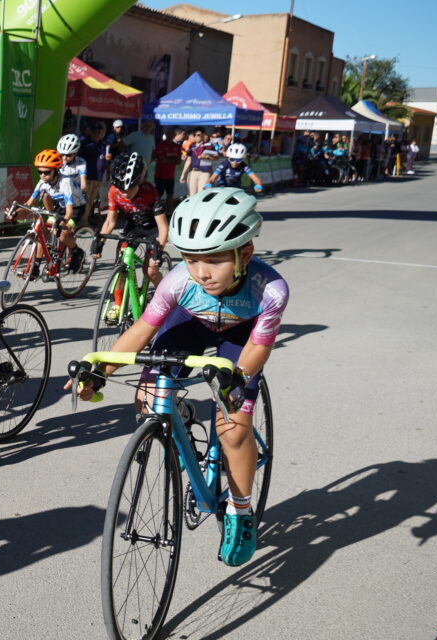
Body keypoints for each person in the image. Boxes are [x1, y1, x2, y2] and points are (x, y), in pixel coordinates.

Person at [71, 186, 288, 567]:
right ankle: (179, 419)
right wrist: (100, 370)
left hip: (241, 336)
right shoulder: (178, 282)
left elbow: (259, 348)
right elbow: (141, 331)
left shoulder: (269, 289)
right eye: (190, 260)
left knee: (234, 427)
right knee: (148, 395)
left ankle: (240, 510)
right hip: (190, 324)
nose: (202, 273)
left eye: (215, 260)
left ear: (245, 254)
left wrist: (237, 379)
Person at [94, 152, 168, 287]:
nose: (124, 193)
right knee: (120, 267)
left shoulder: (150, 192)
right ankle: (118, 305)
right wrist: (100, 243)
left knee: (150, 271)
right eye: (120, 188)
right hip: (133, 226)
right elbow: (111, 221)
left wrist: (159, 250)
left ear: (139, 181)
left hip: (152, 229)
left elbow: (162, 227)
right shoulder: (113, 191)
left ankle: (166, 297)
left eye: (128, 189)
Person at [7, 149, 82, 270]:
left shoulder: (65, 183)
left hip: (75, 208)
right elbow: (29, 203)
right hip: (59, 206)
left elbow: (69, 212)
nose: (42, 176)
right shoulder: (42, 182)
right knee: (44, 231)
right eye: (39, 172)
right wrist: (16, 213)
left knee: (62, 235)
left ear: (56, 170)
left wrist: (61, 224)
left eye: (46, 172)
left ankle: (77, 251)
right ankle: (36, 266)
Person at [78, 122, 110, 222]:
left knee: (91, 200)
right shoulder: (84, 143)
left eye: (99, 132)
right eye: (95, 132)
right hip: (87, 176)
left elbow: (106, 159)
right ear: (91, 132)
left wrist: (108, 159)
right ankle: (81, 220)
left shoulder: (104, 144)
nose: (96, 134)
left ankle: (86, 219)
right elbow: (79, 159)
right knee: (84, 200)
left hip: (98, 177)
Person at [153, 127, 185, 210]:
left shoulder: (177, 147)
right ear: (166, 135)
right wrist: (173, 160)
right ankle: (157, 211)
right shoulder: (161, 145)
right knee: (159, 194)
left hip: (170, 176)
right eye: (168, 134)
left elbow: (179, 161)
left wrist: (169, 159)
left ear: (174, 135)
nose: (170, 135)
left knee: (170, 194)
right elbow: (163, 160)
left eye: (172, 134)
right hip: (160, 175)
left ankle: (169, 211)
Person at [180, 129, 219, 196]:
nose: (197, 137)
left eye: (199, 135)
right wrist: (183, 174)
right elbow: (189, 160)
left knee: (201, 194)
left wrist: (207, 157)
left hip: (204, 172)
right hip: (193, 171)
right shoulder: (191, 146)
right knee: (191, 195)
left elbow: (216, 157)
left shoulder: (208, 145)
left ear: (202, 136)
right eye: (195, 135)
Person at [56, 133, 87, 205]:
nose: (64, 158)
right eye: (62, 154)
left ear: (75, 153)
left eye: (68, 155)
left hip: (74, 194)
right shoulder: (58, 160)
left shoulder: (80, 162)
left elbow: (83, 184)